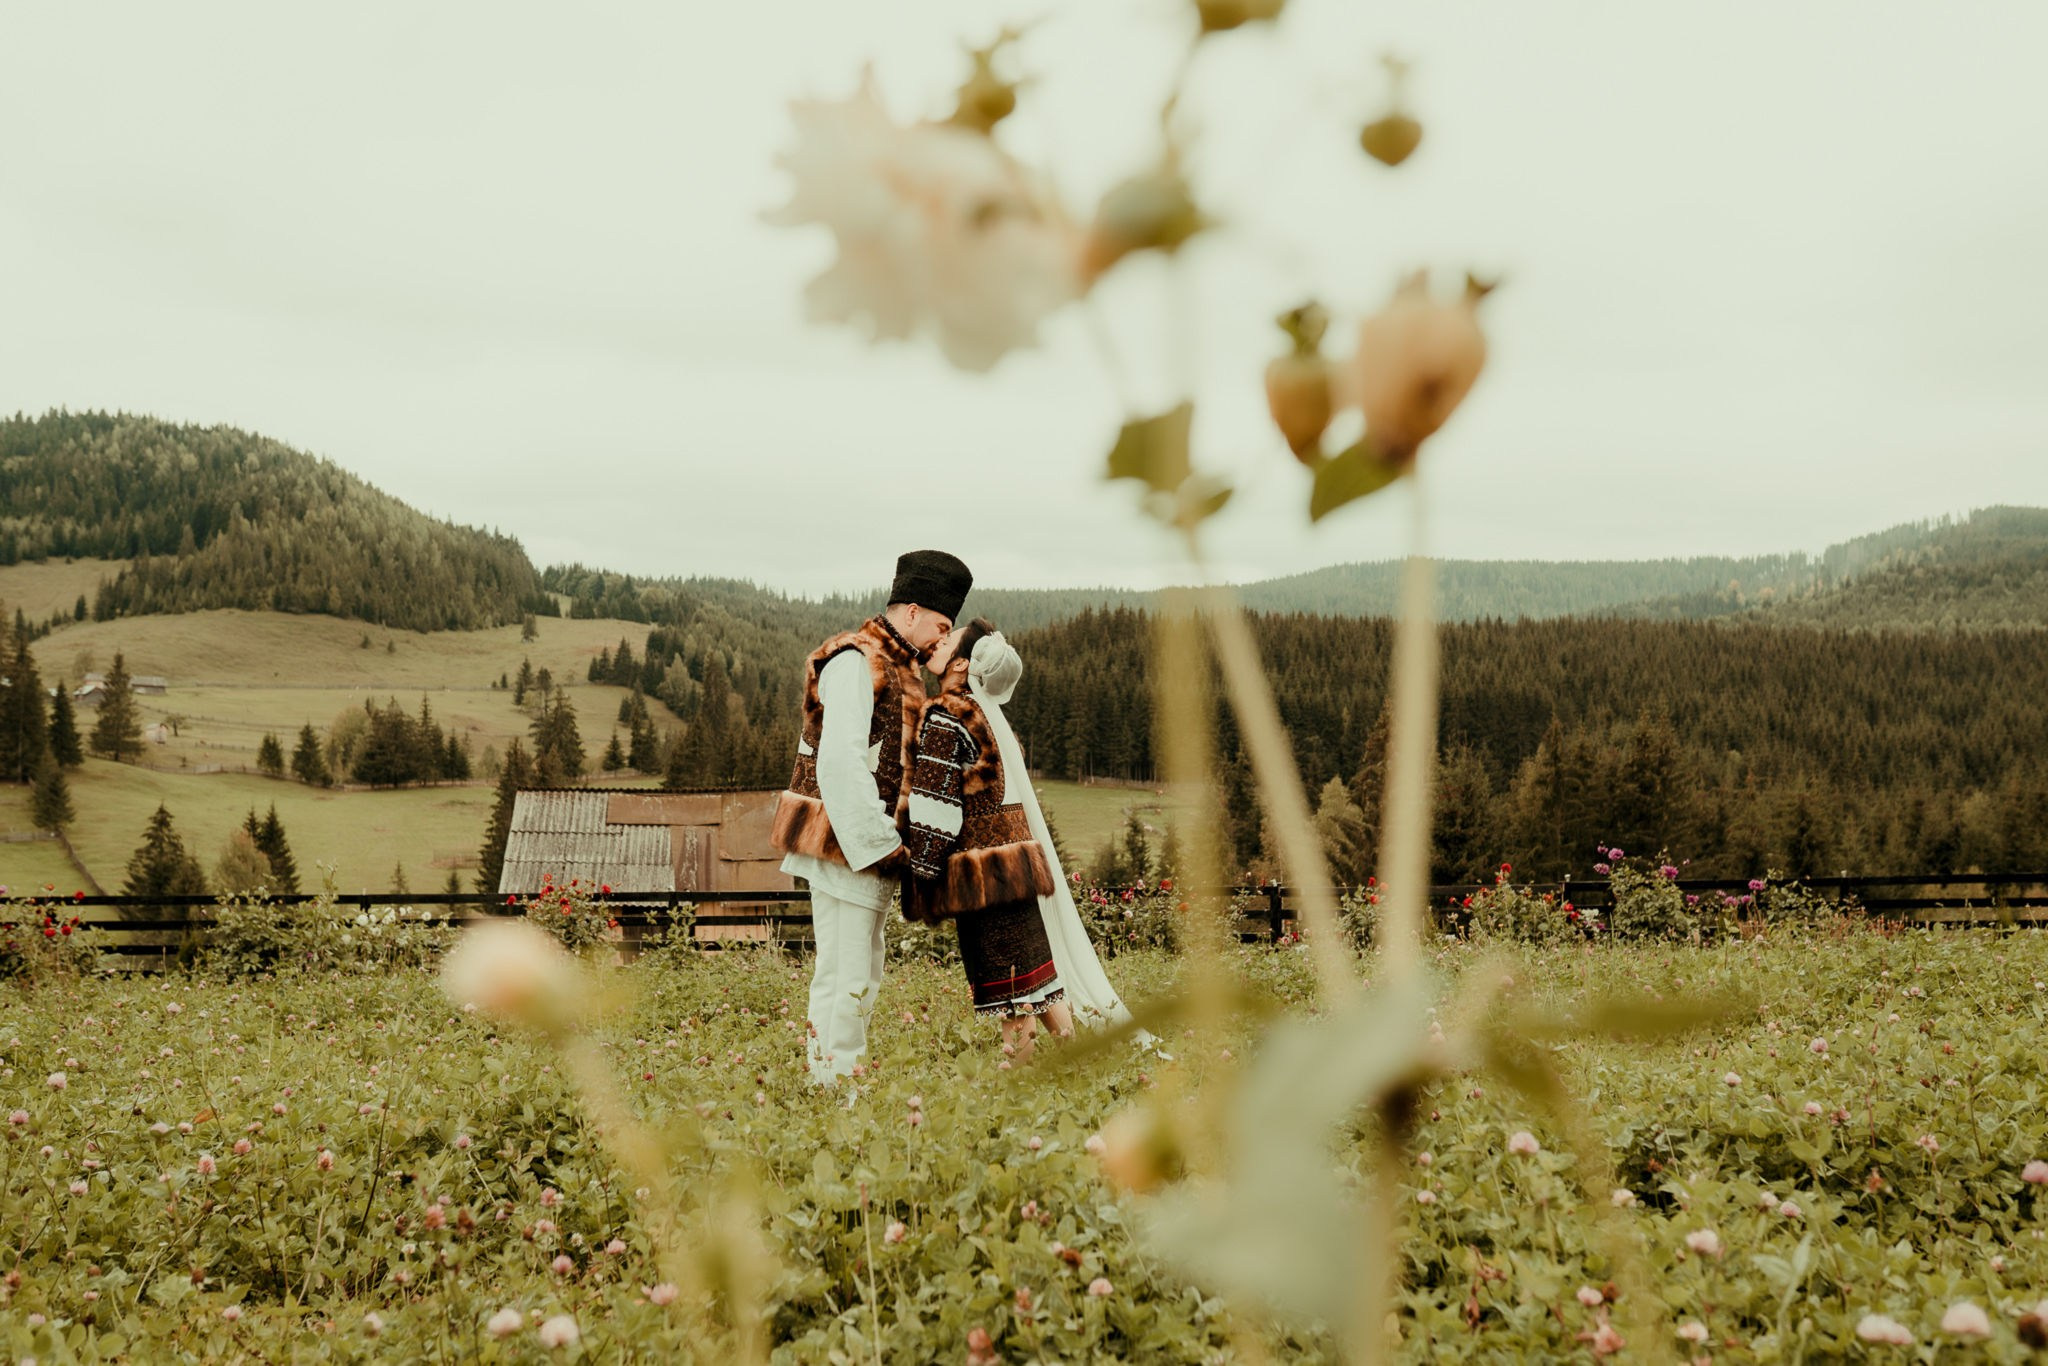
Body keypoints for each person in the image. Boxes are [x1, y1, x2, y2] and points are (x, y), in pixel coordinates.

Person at [771, 549, 972, 1088]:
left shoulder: (901, 668)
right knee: (846, 972)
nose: (940, 637)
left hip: (865, 847)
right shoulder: (856, 661)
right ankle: (834, 1089)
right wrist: (883, 845)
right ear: (910, 611)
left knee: (860, 970)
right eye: (940, 624)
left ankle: (835, 1078)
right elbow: (839, 763)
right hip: (845, 843)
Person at [903, 622, 1144, 1059]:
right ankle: (1077, 1064)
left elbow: (934, 809)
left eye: (948, 639)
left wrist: (918, 871)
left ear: (961, 663)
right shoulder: (987, 718)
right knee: (1039, 981)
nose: (938, 641)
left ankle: (1017, 1089)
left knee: (1011, 993)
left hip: (983, 879)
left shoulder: (944, 716)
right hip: (1018, 874)